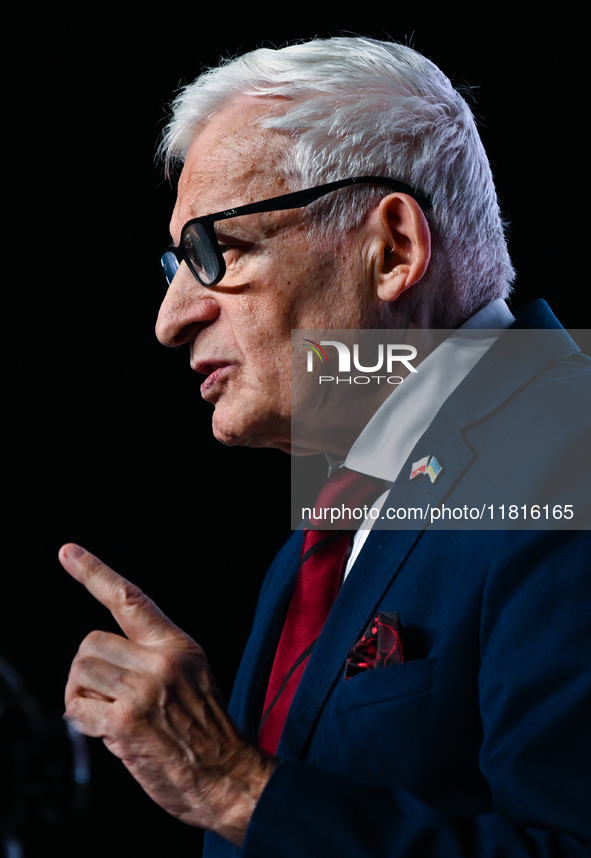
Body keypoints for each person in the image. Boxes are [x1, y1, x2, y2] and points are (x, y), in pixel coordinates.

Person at [60, 37, 591, 857]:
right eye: (176, 262)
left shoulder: (569, 451)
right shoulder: (332, 517)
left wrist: (231, 784)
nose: (169, 321)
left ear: (392, 251)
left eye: (217, 251)